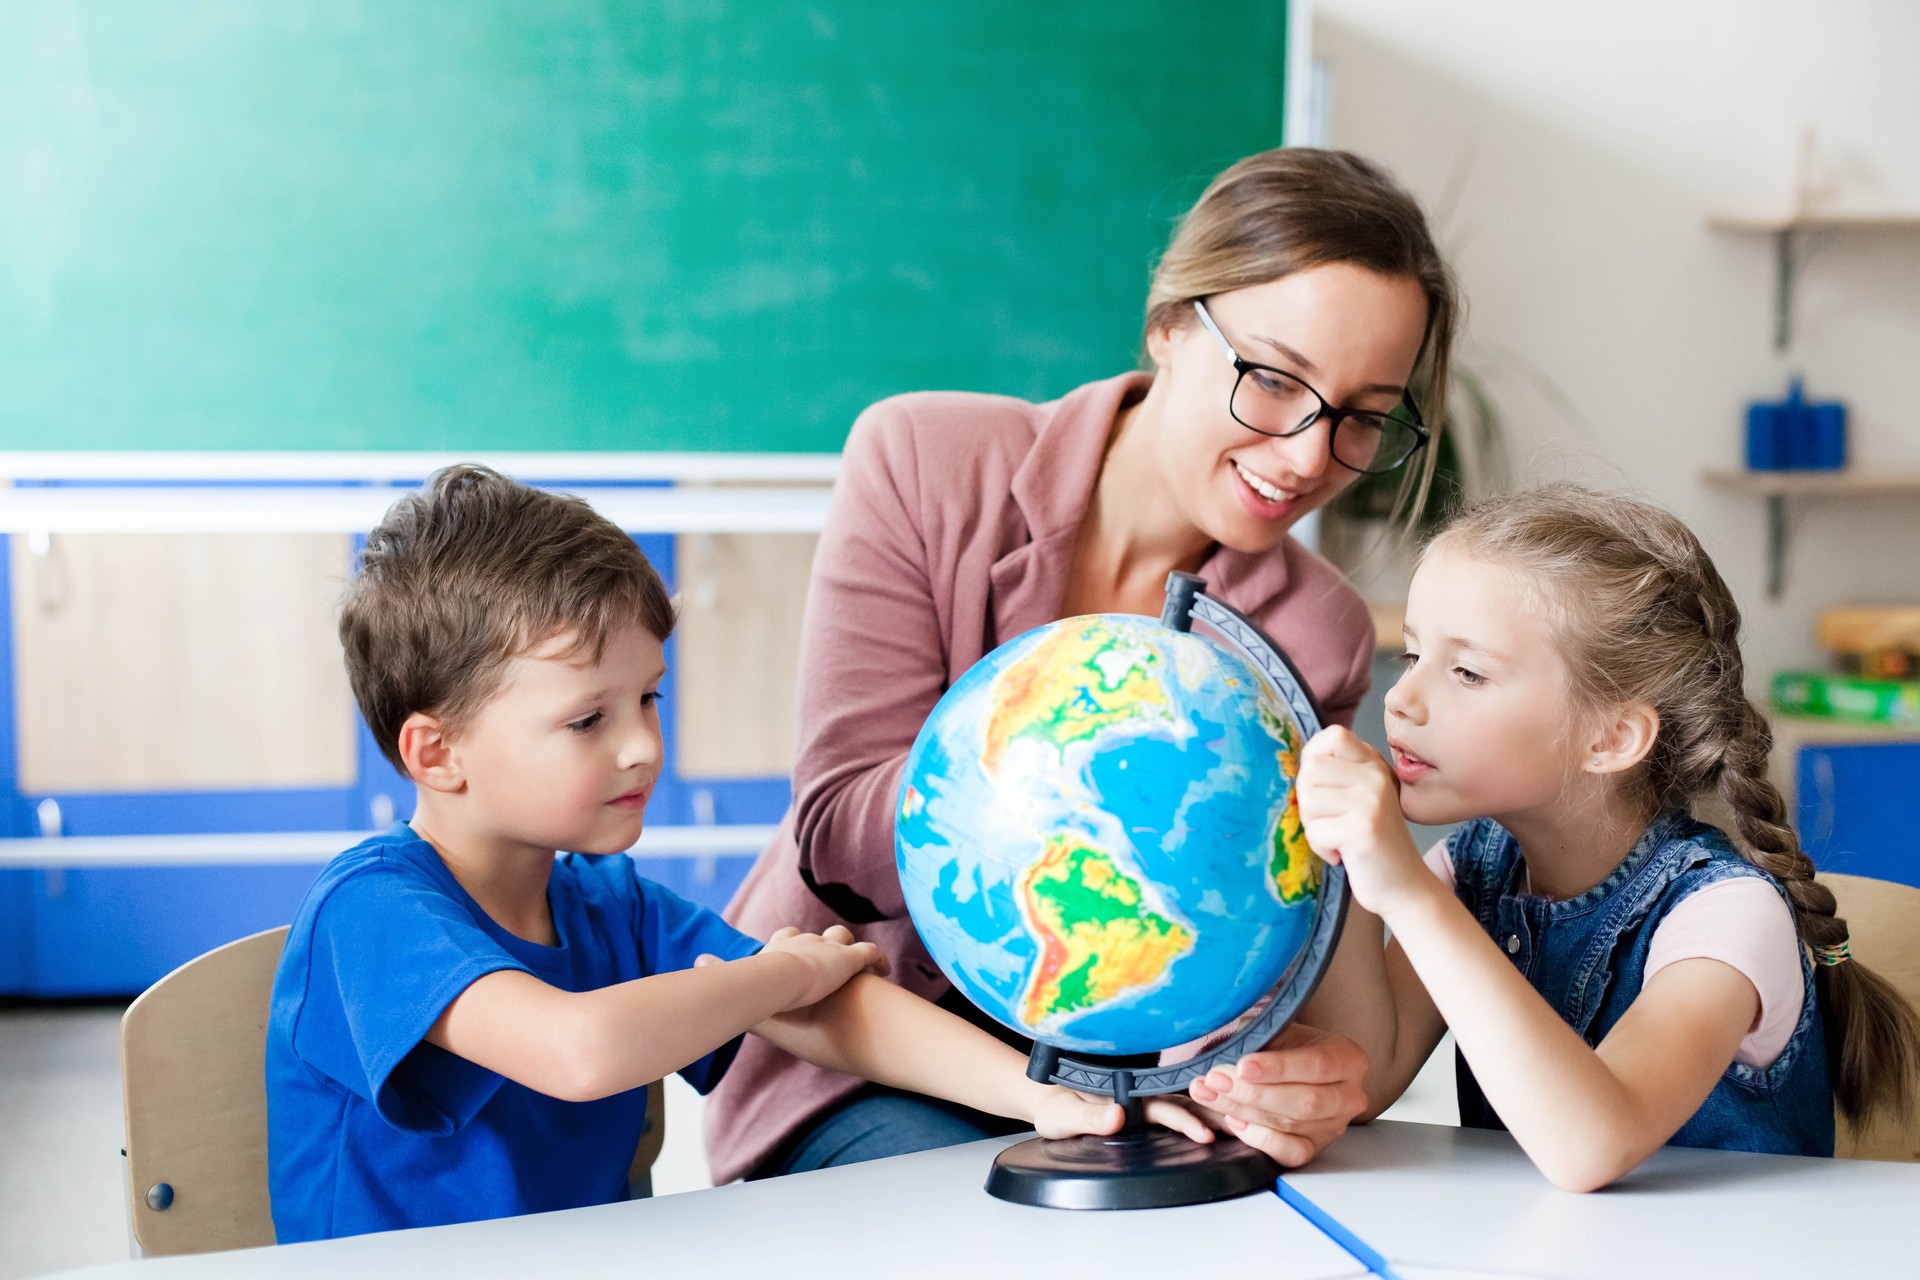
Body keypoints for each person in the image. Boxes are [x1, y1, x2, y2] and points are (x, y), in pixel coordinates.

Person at [708, 147, 1463, 1183]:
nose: (1303, 455)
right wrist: (1061, 732)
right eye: (1274, 380)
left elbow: (1269, 936)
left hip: (1123, 1086)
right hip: (849, 1046)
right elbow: (835, 830)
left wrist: (1301, 1076)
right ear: (1166, 327)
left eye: (1364, 415)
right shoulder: (925, 461)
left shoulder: (1311, 628)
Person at [264, 466, 1205, 1242]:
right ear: (438, 753)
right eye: (588, 718)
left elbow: (829, 1011)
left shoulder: (609, 904)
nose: (640, 746)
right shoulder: (371, 909)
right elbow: (578, 1049)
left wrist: (1049, 1100)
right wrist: (775, 980)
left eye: (649, 699)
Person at [1295, 483, 1920, 1191]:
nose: (1401, 700)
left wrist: (1406, 892)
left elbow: (1590, 1145)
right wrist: (1343, 856)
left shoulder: (1727, 915)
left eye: (1466, 671)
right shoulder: (1473, 871)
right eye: (1412, 658)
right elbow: (1366, 1077)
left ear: (1611, 737)